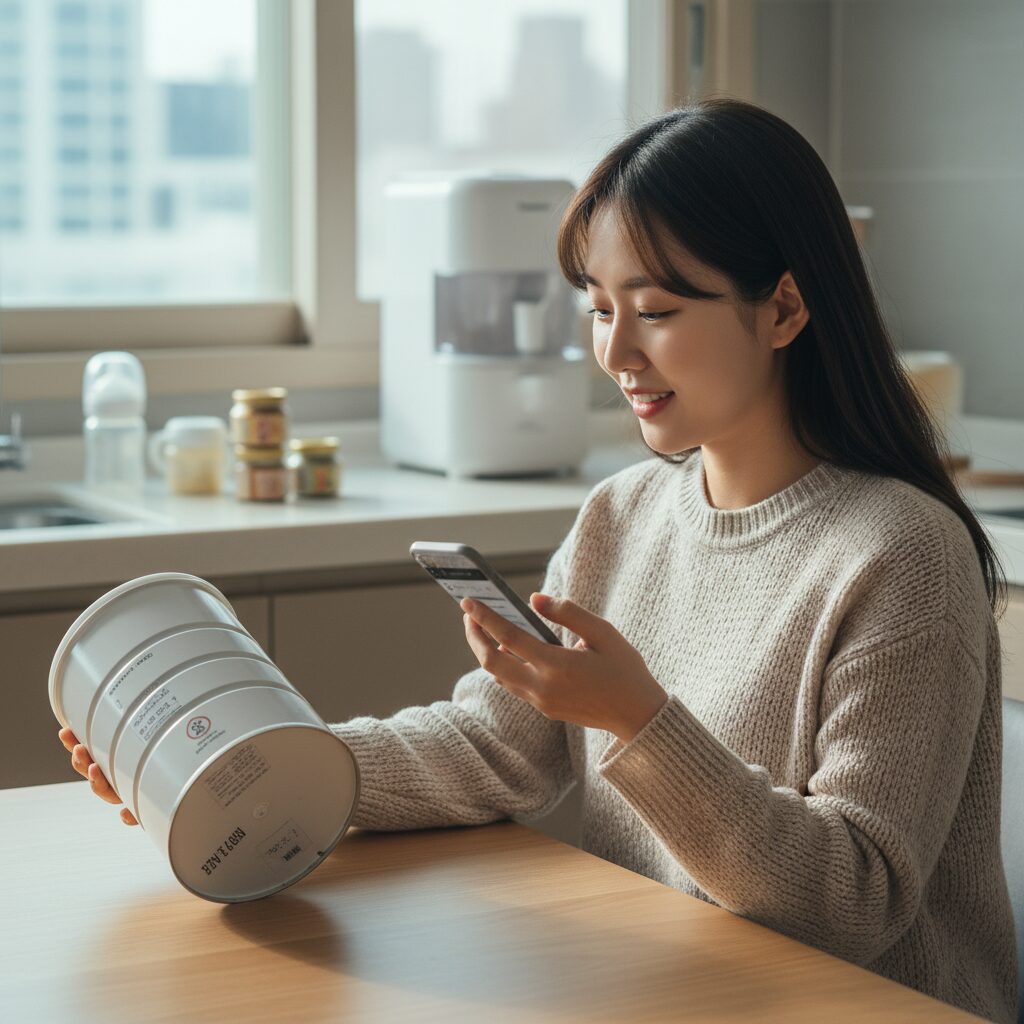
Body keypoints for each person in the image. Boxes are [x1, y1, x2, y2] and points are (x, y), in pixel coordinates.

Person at [60, 98, 1017, 1023]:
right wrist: (261, 771)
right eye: (600, 308)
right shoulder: (625, 515)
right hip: (682, 990)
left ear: (785, 308)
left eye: (657, 310)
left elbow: (852, 902)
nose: (617, 351)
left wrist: (636, 720)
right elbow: (491, 750)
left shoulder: (902, 557)